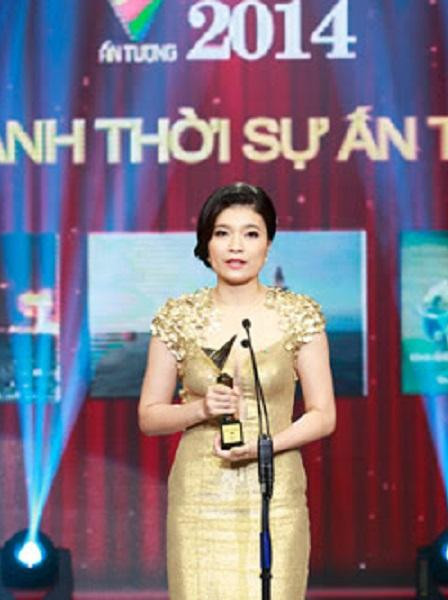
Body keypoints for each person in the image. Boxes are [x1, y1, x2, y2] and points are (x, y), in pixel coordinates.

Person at [138, 182, 336, 599]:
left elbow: (323, 415)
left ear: (268, 243)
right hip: (200, 497)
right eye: (222, 233)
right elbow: (149, 416)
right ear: (206, 243)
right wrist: (199, 409)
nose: (236, 246)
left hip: (275, 494)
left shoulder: (300, 314)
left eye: (251, 233)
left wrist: (266, 446)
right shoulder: (177, 317)